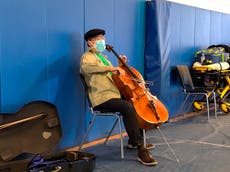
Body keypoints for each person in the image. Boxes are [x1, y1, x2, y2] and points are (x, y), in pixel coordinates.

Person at [80, 28, 158, 166]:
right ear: (90, 43)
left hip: (113, 95)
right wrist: (111, 69)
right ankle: (140, 147)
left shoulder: (104, 58)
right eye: (99, 39)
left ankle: (133, 141)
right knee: (126, 106)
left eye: (103, 39)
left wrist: (120, 65)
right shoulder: (87, 57)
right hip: (101, 98)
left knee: (133, 104)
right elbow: (85, 69)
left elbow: (116, 77)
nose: (102, 42)